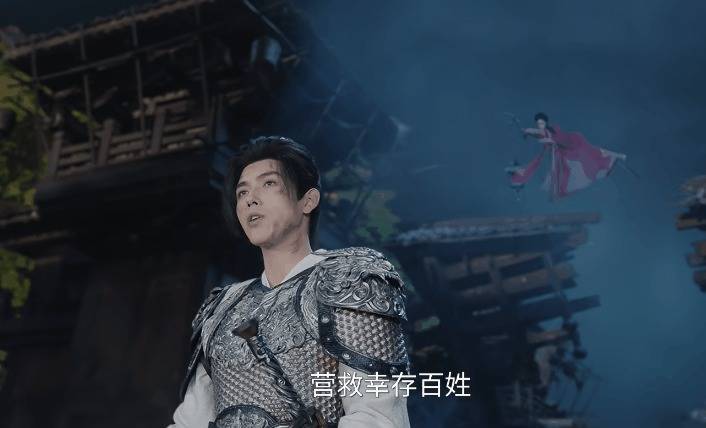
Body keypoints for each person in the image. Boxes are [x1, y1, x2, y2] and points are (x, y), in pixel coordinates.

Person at [168, 136, 411, 428]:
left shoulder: (352, 280)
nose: (250, 199)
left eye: (268, 184)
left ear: (308, 200)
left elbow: (380, 418)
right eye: (242, 192)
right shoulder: (221, 309)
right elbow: (190, 422)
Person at [510, 112, 626, 200]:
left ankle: (614, 157)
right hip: (555, 153)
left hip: (564, 151)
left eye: (542, 123)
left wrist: (546, 139)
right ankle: (521, 181)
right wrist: (525, 130)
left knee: (587, 155)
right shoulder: (543, 132)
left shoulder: (550, 131)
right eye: (538, 123)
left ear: (545, 123)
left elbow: (551, 137)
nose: (540, 125)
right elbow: (535, 132)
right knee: (554, 170)